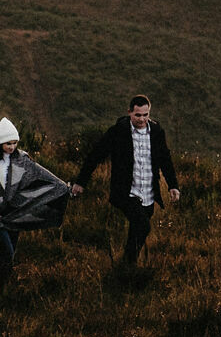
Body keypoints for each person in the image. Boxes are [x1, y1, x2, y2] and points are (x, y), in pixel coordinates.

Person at [71, 94, 179, 267]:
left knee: (137, 230)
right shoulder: (118, 131)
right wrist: (81, 182)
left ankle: (127, 267)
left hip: (148, 193)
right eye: (138, 115)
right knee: (143, 226)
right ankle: (128, 265)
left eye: (145, 115)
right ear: (129, 112)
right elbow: (96, 155)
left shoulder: (157, 131)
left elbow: (165, 159)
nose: (142, 119)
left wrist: (173, 185)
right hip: (127, 192)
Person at [0, 116, 70, 271]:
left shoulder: (21, 158)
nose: (12, 147)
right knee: (7, 255)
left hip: (14, 215)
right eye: (8, 143)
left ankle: (1, 284)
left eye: (14, 143)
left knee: (9, 255)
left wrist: (62, 188)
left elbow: (40, 174)